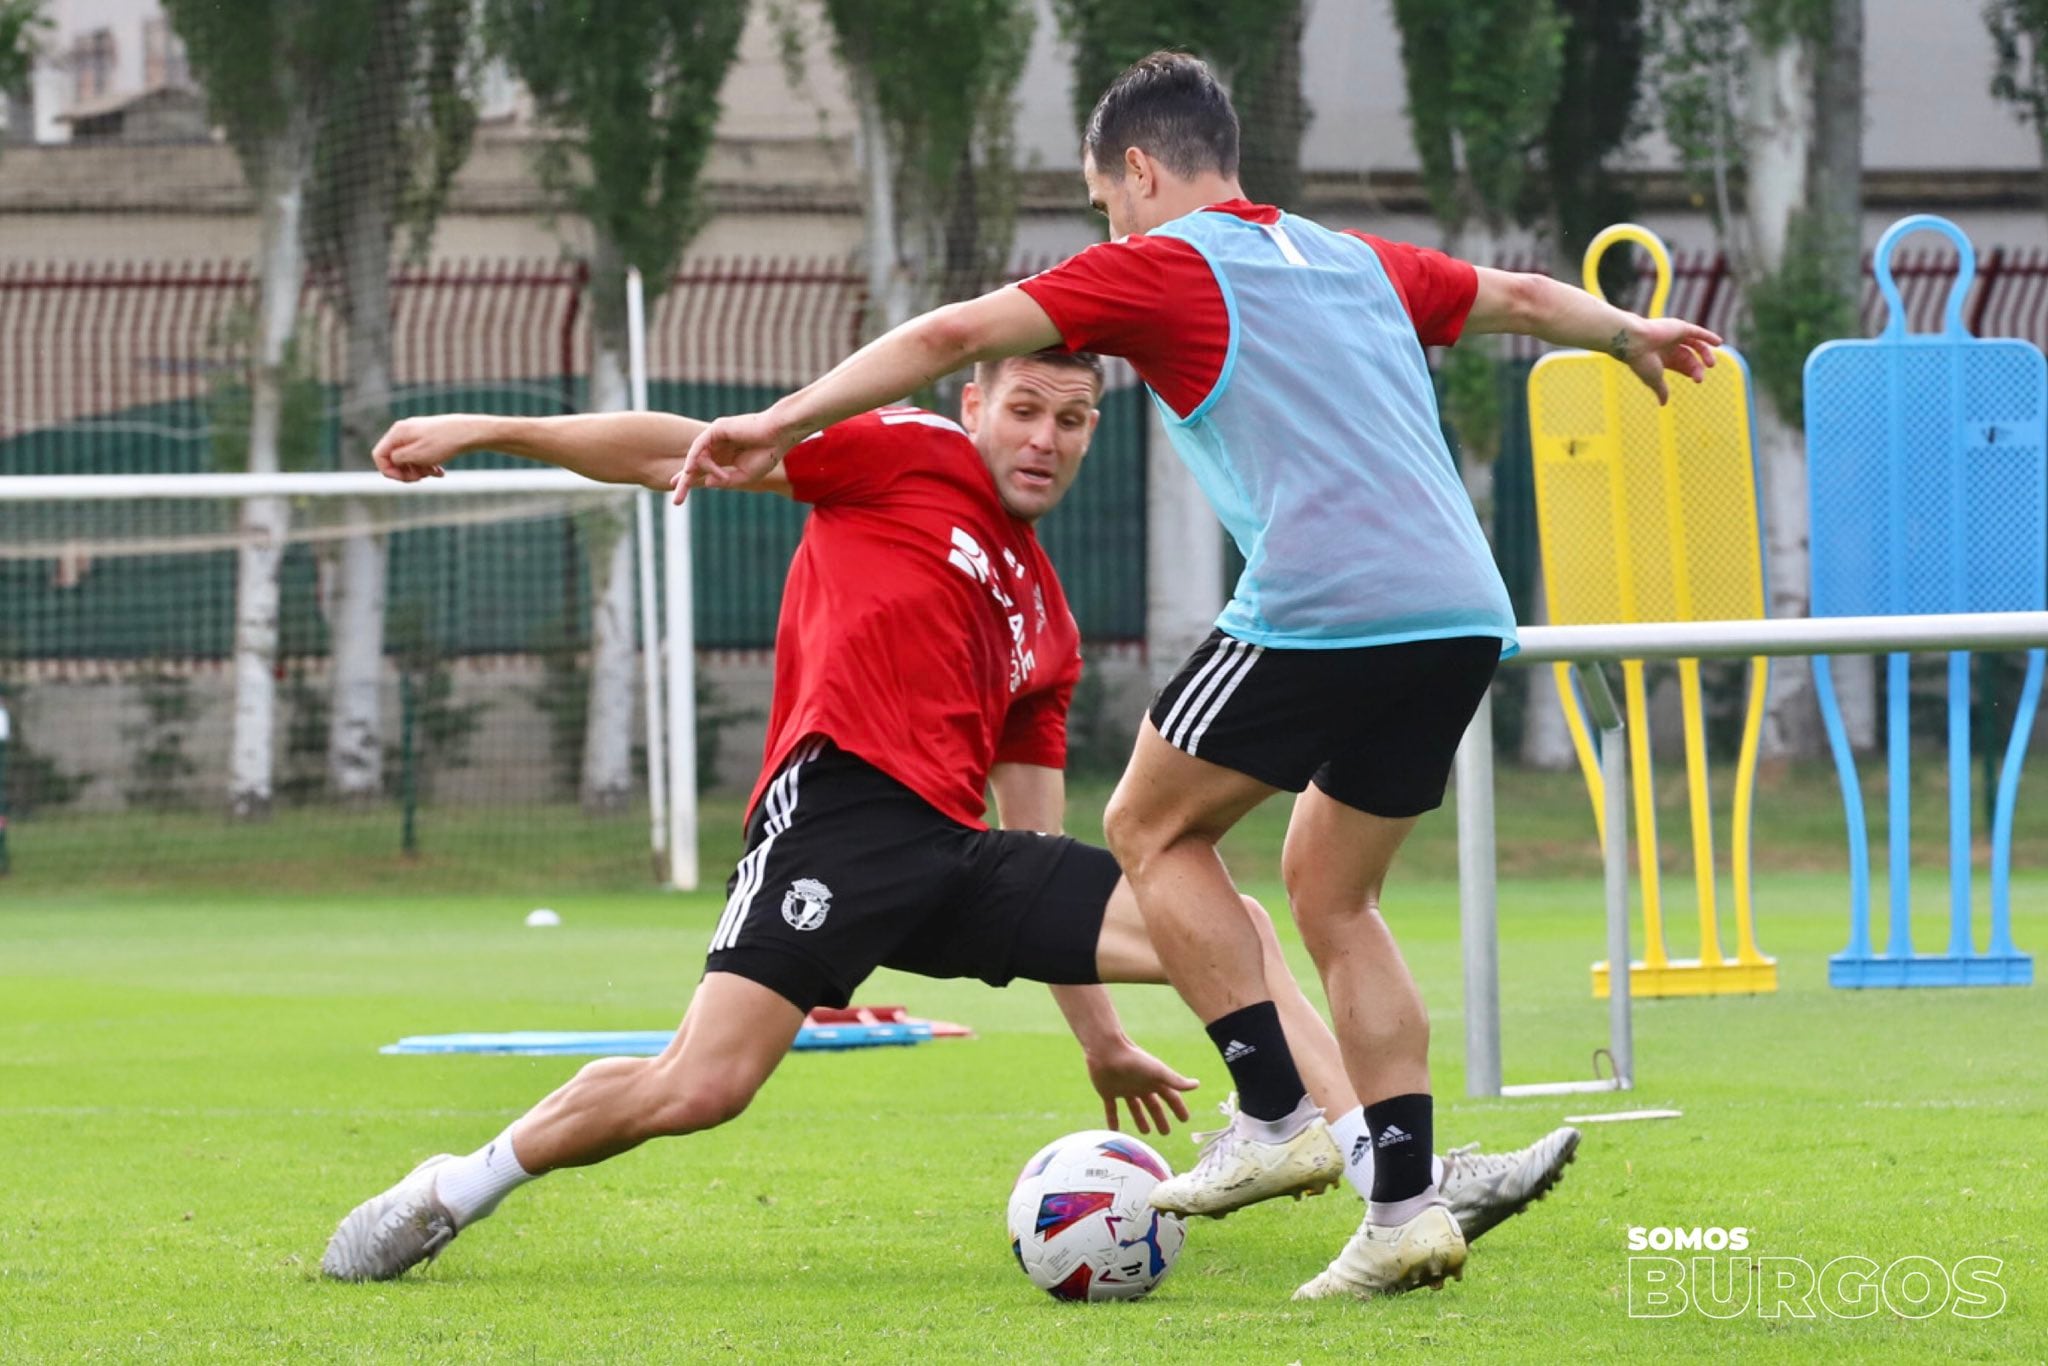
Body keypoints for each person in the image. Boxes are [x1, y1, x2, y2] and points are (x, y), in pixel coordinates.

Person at [679, 53, 1717, 1302]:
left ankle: (1273, 1116)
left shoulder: (1160, 263)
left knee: (1143, 826)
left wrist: (781, 417)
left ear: (1137, 169)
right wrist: (1629, 332)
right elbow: (1521, 296)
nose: (1104, 228)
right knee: (1332, 898)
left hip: (1330, 599)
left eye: (1104, 202)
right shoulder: (1355, 258)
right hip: (1460, 611)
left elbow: (955, 333)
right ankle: (1399, 1205)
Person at [321, 349, 1577, 1285]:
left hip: (957, 858)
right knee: (699, 1086)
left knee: (1225, 918)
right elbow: (687, 449)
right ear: (973, 405)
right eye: (1023, 408)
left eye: (1072, 419)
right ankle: (452, 1188)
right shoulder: (898, 450)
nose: (1044, 436)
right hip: (836, 824)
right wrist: (493, 429)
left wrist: (1097, 1037)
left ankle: (1384, 1171)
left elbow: (1038, 838)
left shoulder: (1046, 615)